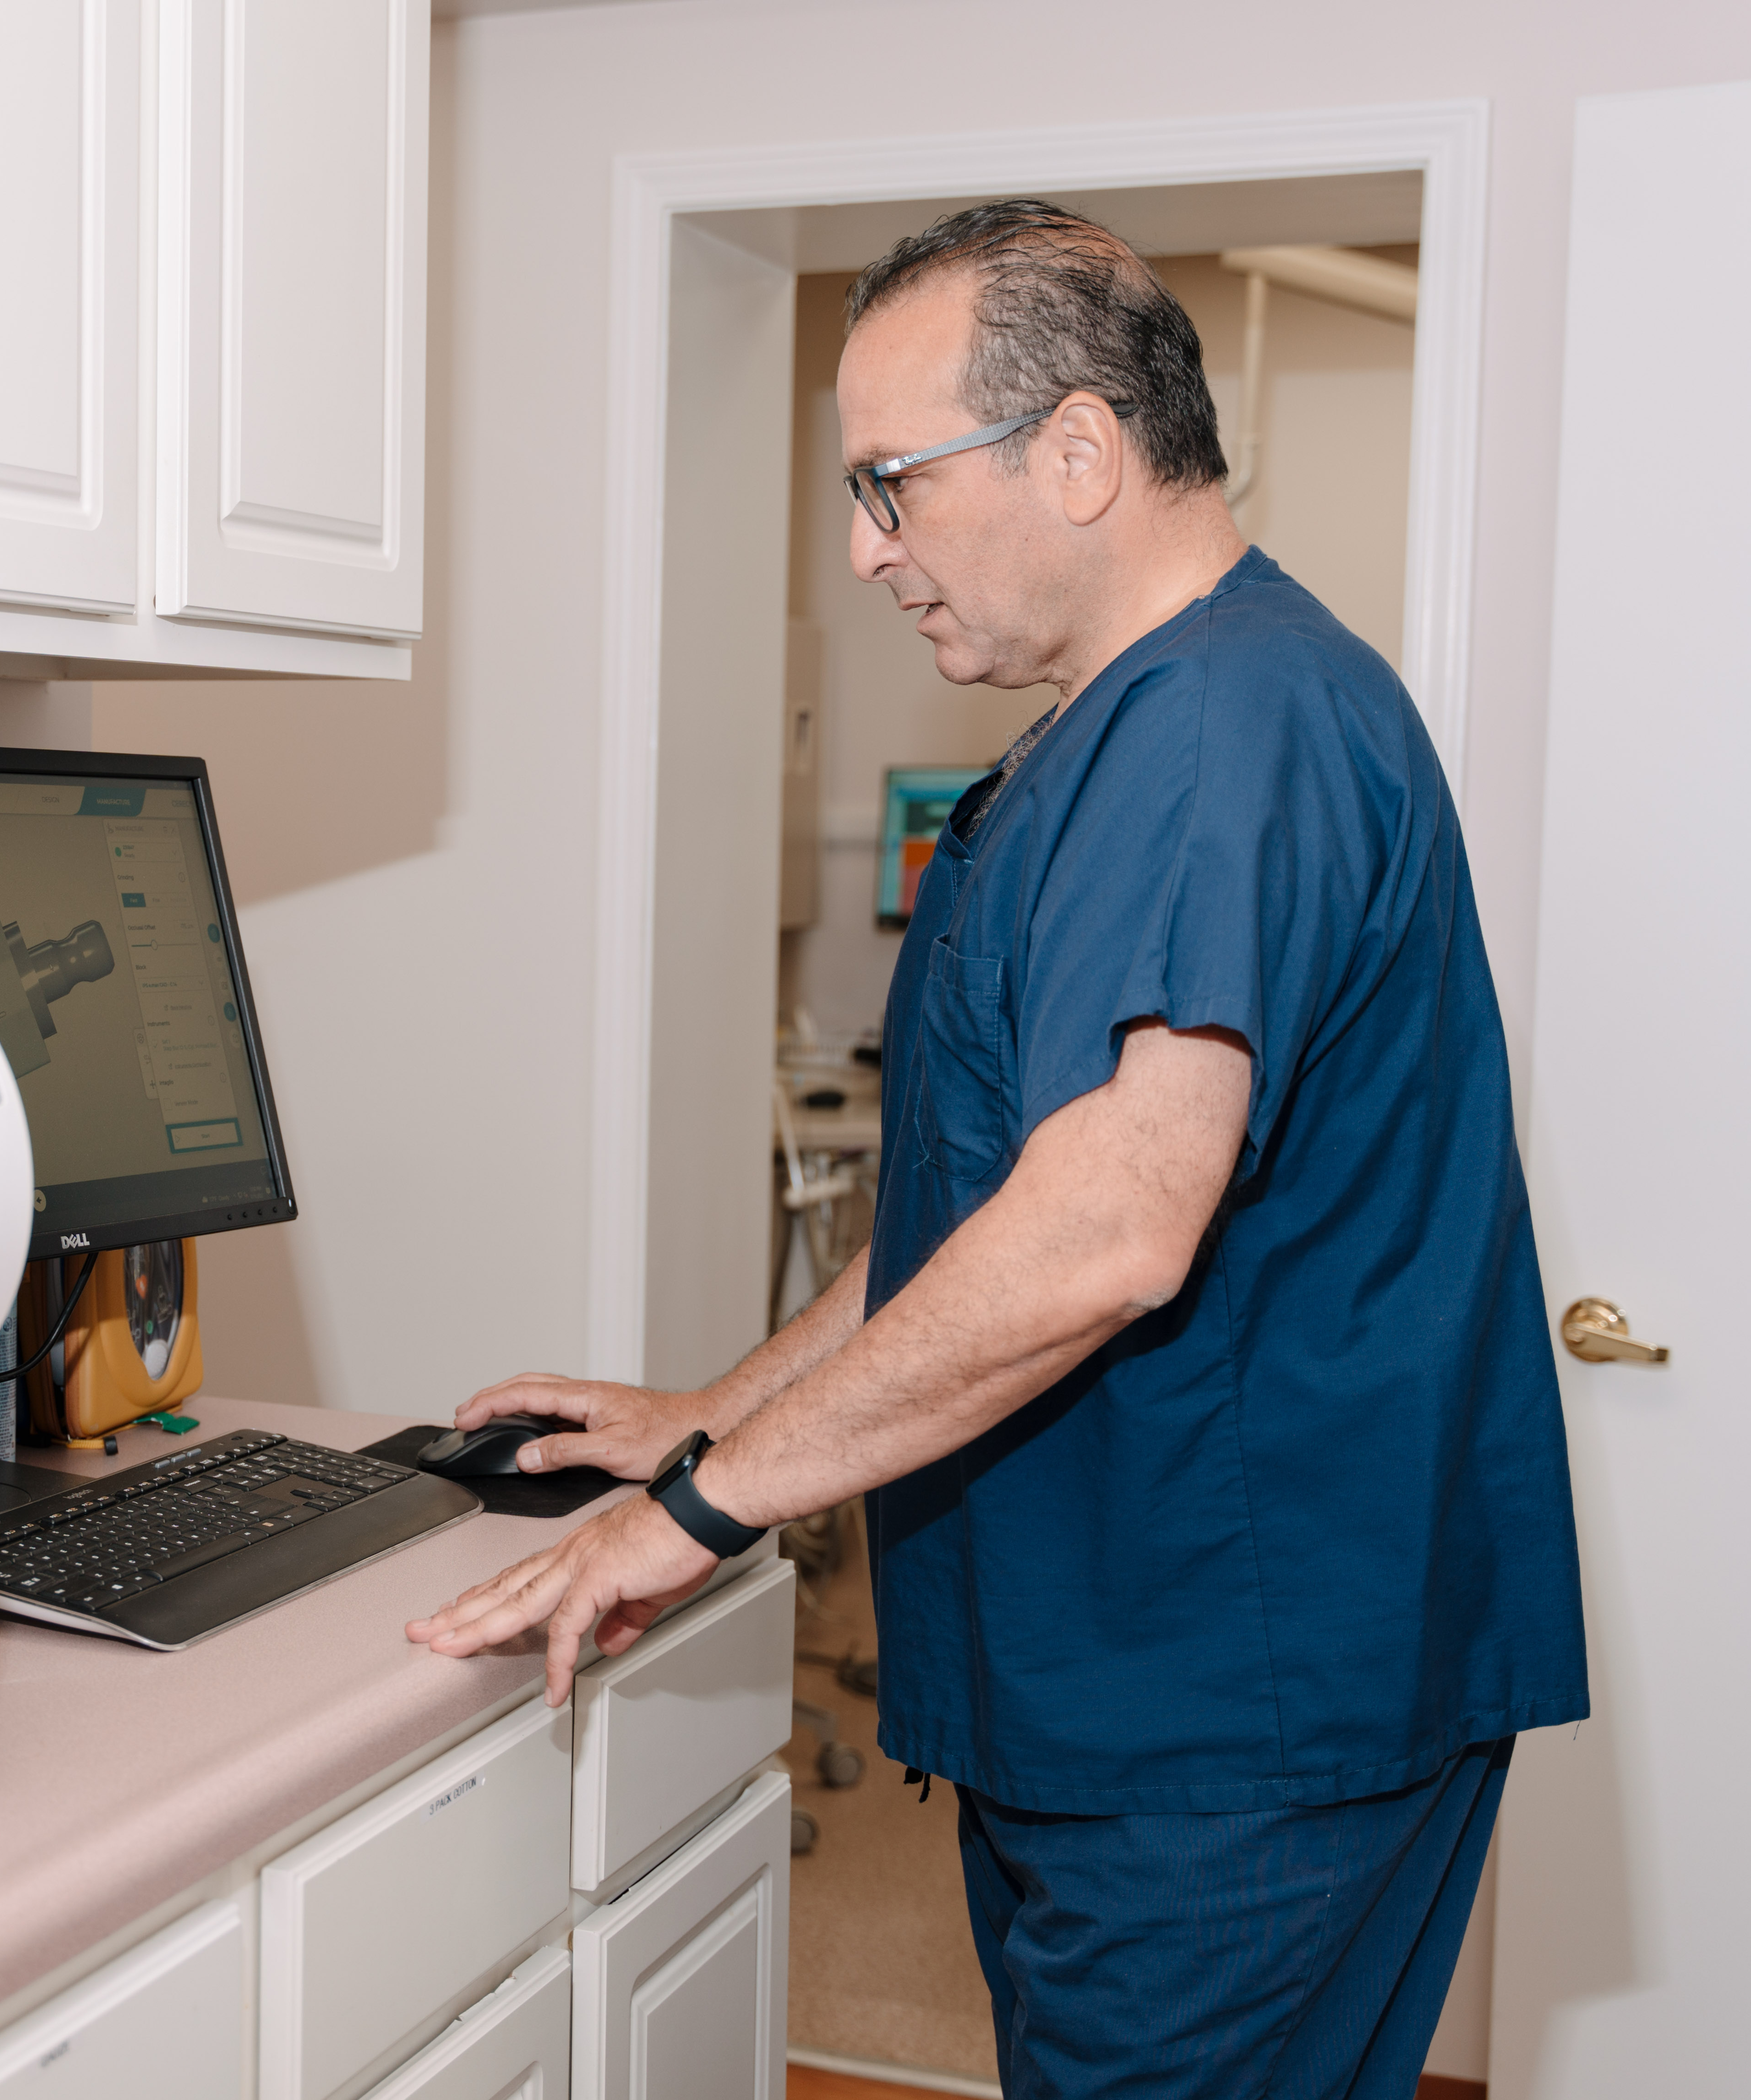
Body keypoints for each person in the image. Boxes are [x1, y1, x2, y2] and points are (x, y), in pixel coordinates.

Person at [406, 201, 1587, 2100]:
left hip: (1229, 1723)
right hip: (1150, 1698)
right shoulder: (1131, 728)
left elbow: (1104, 1231)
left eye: (890, 483)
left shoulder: (1220, 725)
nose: (865, 549)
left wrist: (698, 1513)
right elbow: (985, 1210)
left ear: (1076, 451)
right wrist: (707, 1414)